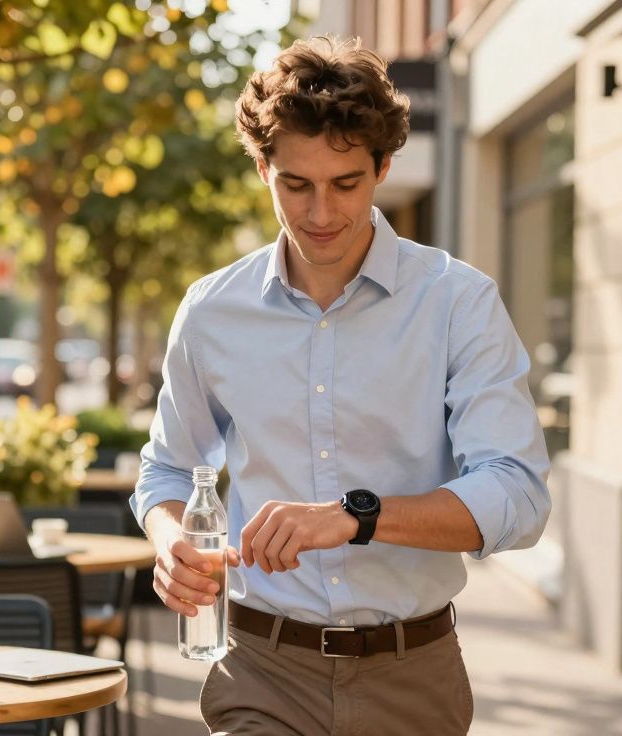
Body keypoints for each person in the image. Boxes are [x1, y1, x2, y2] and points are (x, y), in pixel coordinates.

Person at [129, 36, 551, 736]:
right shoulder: (211, 311)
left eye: (345, 183)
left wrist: (357, 516)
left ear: (383, 167)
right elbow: (169, 466)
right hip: (261, 669)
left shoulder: (457, 302)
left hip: (412, 674)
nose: (321, 213)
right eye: (296, 184)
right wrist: (168, 537)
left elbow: (518, 492)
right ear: (263, 167)